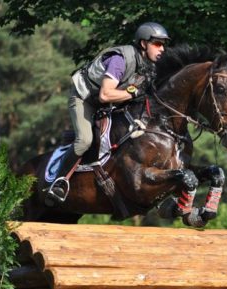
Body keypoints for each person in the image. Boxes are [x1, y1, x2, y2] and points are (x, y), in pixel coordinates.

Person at [45, 22, 170, 206]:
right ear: (144, 44)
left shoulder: (148, 65)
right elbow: (105, 94)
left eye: (163, 44)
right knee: (85, 140)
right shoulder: (120, 60)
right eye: (157, 44)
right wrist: (132, 93)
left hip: (109, 101)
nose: (162, 49)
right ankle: (59, 181)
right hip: (84, 99)